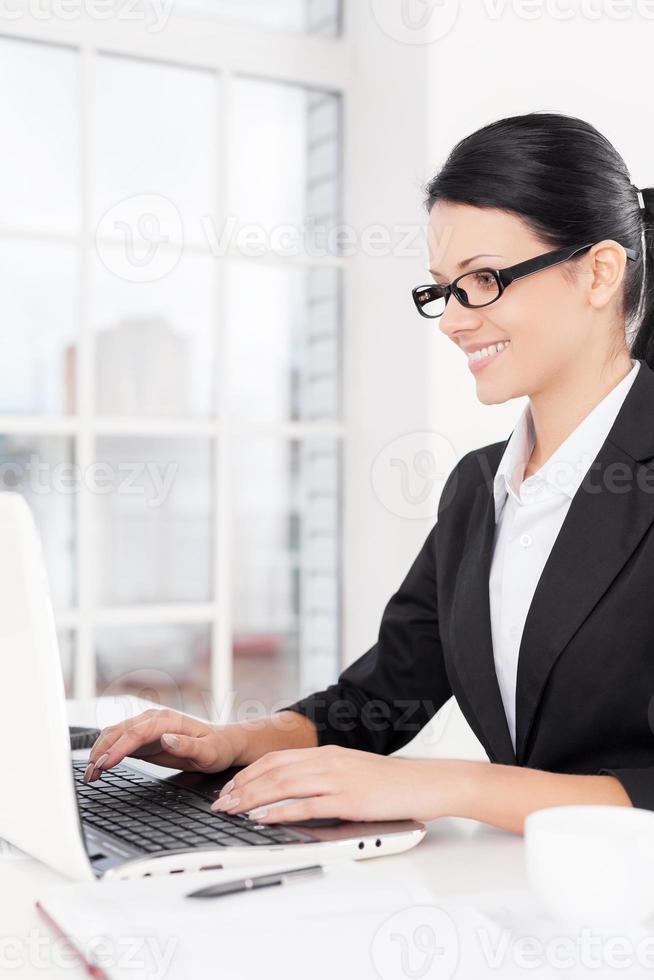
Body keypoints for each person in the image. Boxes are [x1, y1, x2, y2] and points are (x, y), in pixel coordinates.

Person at [84, 111, 654, 835]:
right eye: (443, 288)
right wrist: (231, 743)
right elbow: (381, 697)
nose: (452, 319)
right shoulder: (480, 489)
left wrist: (443, 787)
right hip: (524, 901)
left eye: (483, 279)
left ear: (599, 272)